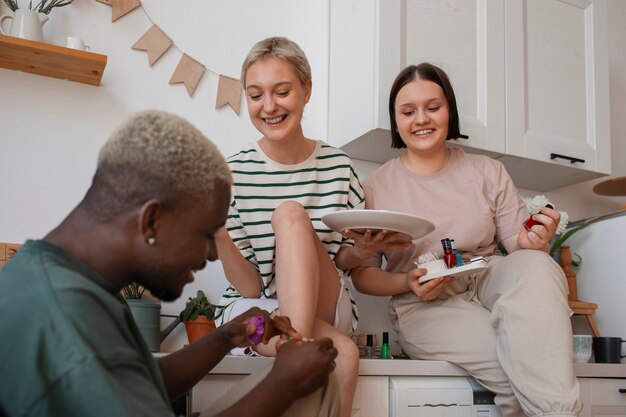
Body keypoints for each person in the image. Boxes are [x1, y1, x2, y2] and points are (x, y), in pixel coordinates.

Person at [0, 110, 342, 417]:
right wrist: (285, 384)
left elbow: (137, 384)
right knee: (310, 389)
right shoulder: (68, 321)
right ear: (151, 221)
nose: (211, 255)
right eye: (207, 234)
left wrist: (225, 336)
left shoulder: (61, 280)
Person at [351, 63, 581, 417]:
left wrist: (535, 240)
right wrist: (407, 283)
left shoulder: (488, 171)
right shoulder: (375, 186)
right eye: (408, 111)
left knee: (536, 264)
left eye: (433, 107)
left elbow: (516, 244)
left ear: (450, 111)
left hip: (487, 276)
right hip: (424, 303)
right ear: (395, 120)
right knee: (523, 367)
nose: (421, 119)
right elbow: (362, 274)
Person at [213, 37, 402, 417]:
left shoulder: (339, 167)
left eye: (281, 92)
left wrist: (363, 252)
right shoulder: (233, 175)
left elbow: (342, 260)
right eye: (255, 95)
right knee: (344, 354)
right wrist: (215, 229)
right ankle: (296, 342)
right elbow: (250, 286)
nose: (268, 106)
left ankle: (293, 347)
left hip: (326, 303)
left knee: (290, 214)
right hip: (265, 304)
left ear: (306, 90)